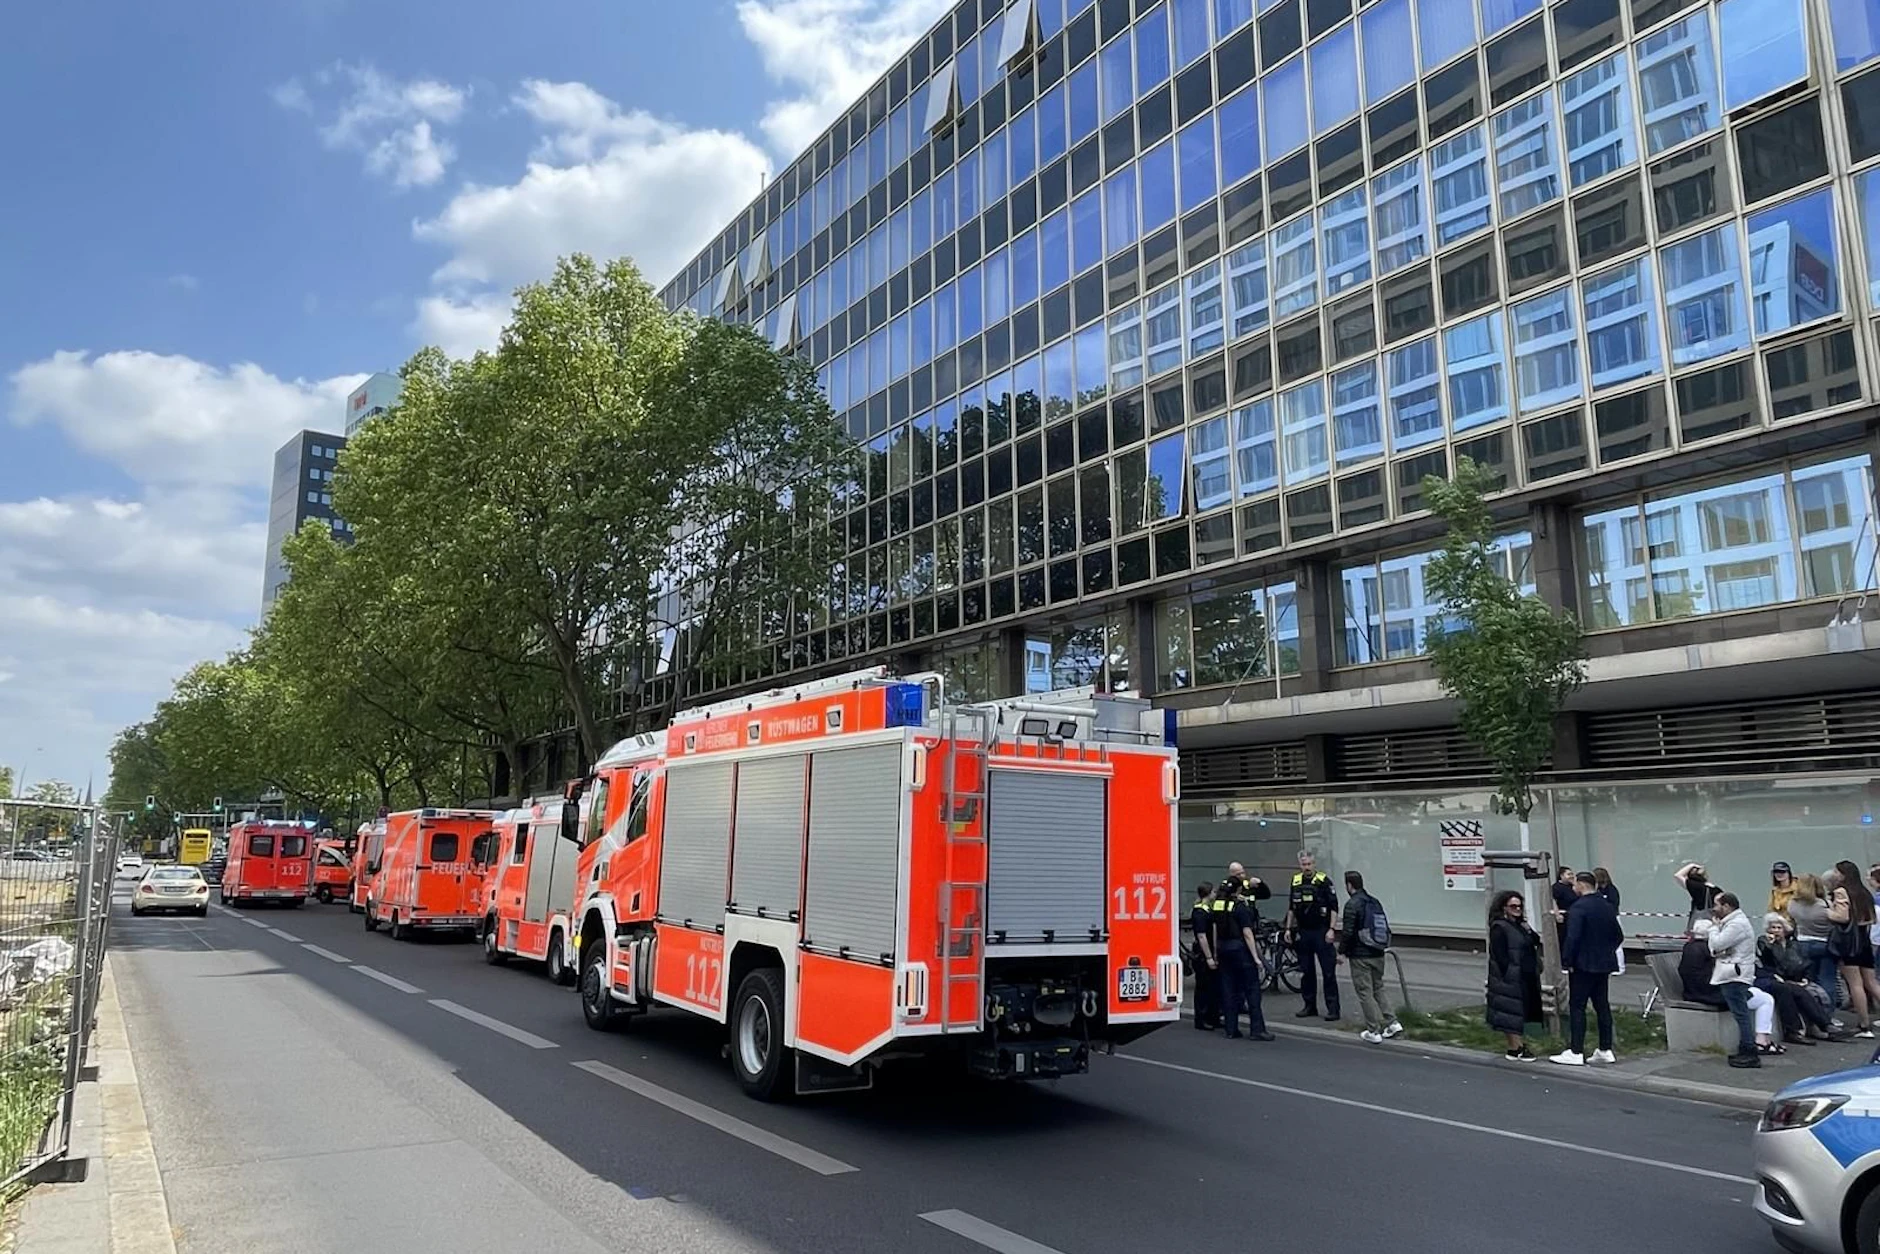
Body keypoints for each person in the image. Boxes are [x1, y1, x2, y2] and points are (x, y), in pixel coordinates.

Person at [1553, 871, 1623, 1067]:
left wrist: (1567, 961)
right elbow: (1618, 935)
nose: (1573, 888)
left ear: (1581, 885)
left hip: (1583, 964)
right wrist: (1606, 951)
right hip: (1604, 963)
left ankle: (1576, 1051)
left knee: (1578, 1006)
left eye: (1575, 884)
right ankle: (1605, 1049)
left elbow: (1572, 937)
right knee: (1602, 1005)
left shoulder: (1579, 908)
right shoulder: (1607, 906)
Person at [1708, 894, 1777, 1067]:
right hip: (1735, 973)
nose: (1713, 909)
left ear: (1727, 906)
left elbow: (1716, 945)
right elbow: (1717, 950)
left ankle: (1749, 1051)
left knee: (1741, 1014)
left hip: (1734, 975)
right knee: (1741, 1012)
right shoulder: (1734, 923)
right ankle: (1745, 1049)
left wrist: (1713, 929)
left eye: (1716, 905)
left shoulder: (1736, 925)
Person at [1757, 913, 1849, 1044]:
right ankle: (1814, 1027)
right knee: (1793, 991)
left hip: (1796, 978)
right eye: (1772, 928)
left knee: (1815, 992)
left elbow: (1805, 963)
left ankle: (1822, 1026)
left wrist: (1806, 978)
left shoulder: (1794, 945)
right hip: (1778, 978)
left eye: (1779, 928)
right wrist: (1770, 946)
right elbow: (1766, 962)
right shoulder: (1764, 942)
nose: (1775, 931)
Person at [1339, 870, 1402, 1043]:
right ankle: (1392, 1022)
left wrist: (1341, 952)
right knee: (1378, 988)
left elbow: (1348, 932)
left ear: (1349, 885)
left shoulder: (1352, 904)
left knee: (1364, 992)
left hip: (1361, 956)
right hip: (1378, 952)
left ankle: (1373, 1030)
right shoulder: (1374, 901)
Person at [1213, 877, 1273, 1041]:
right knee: (1252, 990)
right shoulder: (1240, 907)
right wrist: (1256, 958)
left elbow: (1215, 929)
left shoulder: (1217, 905)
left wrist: (1215, 953)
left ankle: (1231, 1029)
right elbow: (1247, 933)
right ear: (1238, 890)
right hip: (1240, 950)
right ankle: (1257, 1030)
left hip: (1223, 949)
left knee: (1229, 990)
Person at [1284, 849, 1341, 1022]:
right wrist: (1288, 929)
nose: (1306, 867)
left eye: (1309, 864)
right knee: (1306, 971)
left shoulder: (1323, 881)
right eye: (1303, 864)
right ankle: (1309, 1006)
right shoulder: (1296, 881)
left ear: (1314, 864)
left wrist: (1332, 929)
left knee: (1328, 972)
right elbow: (1292, 908)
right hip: (1304, 931)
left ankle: (1333, 1009)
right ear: (1299, 865)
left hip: (1321, 931)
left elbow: (1334, 907)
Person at [1486, 890, 1542, 1061]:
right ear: (1504, 907)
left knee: (1516, 1011)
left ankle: (1514, 1048)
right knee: (1511, 1011)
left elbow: (1535, 940)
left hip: (1524, 974)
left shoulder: (1519, 926)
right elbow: (1500, 955)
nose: (1517, 909)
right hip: (1510, 977)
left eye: (1519, 906)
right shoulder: (1499, 927)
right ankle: (1516, 1046)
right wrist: (1507, 973)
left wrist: (1528, 929)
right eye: (1513, 906)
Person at [1828, 861, 1880, 1038]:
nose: (1834, 874)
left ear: (1842, 874)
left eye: (1836, 871)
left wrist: (1826, 912)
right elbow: (1870, 918)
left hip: (1849, 942)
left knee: (1855, 984)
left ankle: (1864, 1024)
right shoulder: (1864, 892)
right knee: (1872, 983)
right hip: (1864, 939)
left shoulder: (1841, 891)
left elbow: (1842, 917)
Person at [1788, 872, 1839, 1004]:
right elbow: (1836, 920)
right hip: (1825, 944)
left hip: (1803, 943)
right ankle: (1828, 1014)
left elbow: (1792, 922)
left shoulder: (1792, 904)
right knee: (1827, 979)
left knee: (1809, 980)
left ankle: (1814, 1012)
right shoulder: (1824, 904)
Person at [1189, 883, 1219, 1031]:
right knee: (1203, 987)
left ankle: (1212, 1017)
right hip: (1202, 954)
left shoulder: (1208, 909)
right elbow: (1201, 936)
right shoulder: (1199, 912)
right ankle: (1201, 1018)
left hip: (1210, 952)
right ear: (1208, 893)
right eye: (1213, 891)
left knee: (1212, 986)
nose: (1215, 894)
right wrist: (1208, 957)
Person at [1676, 862, 1723, 933]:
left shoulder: (1694, 886)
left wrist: (1692, 865)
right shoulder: (1717, 889)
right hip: (1714, 924)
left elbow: (1678, 875)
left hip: (1698, 925)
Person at [1551, 865, 1577, 954]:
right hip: (1564, 917)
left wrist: (1575, 884)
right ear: (1561, 876)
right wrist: (1557, 914)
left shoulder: (1573, 887)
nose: (1571, 876)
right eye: (1568, 874)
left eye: (1572, 874)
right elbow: (1553, 900)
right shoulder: (1557, 887)